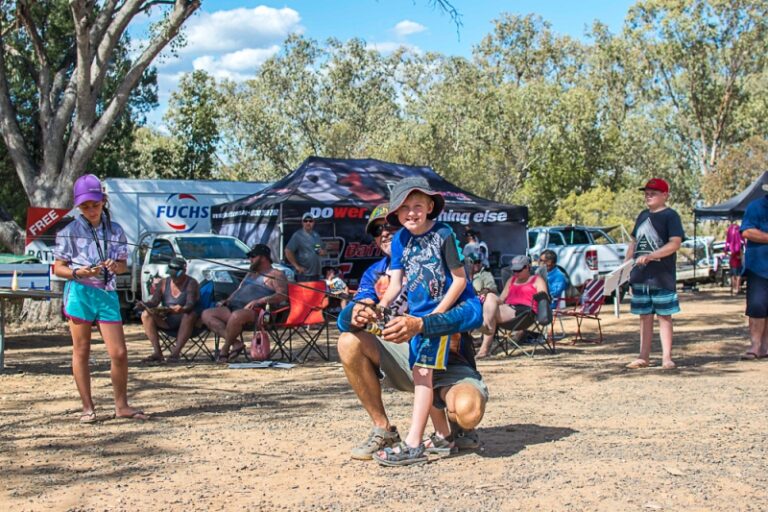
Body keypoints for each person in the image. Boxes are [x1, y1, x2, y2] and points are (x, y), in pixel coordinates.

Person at [337, 202, 488, 463]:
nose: (385, 233)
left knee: (468, 409)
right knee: (348, 340)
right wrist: (353, 315)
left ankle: (450, 427)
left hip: (453, 362)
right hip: (406, 357)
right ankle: (383, 430)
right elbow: (347, 315)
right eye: (377, 230)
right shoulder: (375, 274)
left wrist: (423, 324)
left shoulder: (439, 261)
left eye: (390, 226)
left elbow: (473, 313)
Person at [372, 178, 481, 467]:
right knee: (424, 379)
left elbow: (459, 281)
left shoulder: (444, 234)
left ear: (430, 206)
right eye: (404, 207)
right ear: (395, 212)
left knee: (422, 373)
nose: (411, 212)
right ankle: (443, 436)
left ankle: (413, 443)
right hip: (416, 319)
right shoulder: (399, 240)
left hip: (440, 317)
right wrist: (380, 305)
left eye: (417, 205)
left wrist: (436, 317)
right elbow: (396, 285)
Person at [53, 174, 148, 423]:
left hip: (106, 294)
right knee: (81, 350)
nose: (91, 210)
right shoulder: (69, 232)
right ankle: (88, 408)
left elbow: (123, 265)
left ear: (103, 201)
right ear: (78, 207)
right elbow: (58, 268)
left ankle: (121, 406)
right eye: (85, 206)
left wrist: (114, 266)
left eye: (95, 204)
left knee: (118, 353)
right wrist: (78, 272)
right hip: (80, 293)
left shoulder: (115, 230)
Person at [624, 178, 684, 370]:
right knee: (644, 315)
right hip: (640, 276)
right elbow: (634, 242)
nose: (648, 196)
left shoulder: (670, 216)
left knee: (664, 315)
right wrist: (627, 265)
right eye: (647, 193)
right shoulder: (642, 216)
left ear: (664, 195)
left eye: (654, 193)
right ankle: (643, 356)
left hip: (662, 275)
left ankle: (667, 357)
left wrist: (652, 256)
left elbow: (674, 243)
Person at [201, 244, 287, 361]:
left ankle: (225, 349)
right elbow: (238, 290)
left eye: (252, 256)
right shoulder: (250, 273)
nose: (250, 259)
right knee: (207, 314)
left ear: (263, 257)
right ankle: (236, 344)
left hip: (259, 313)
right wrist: (227, 300)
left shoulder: (276, 274)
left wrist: (259, 301)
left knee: (236, 316)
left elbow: (282, 295)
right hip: (234, 307)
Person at [476, 255, 548, 358]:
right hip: (508, 309)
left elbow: (543, 298)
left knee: (491, 313)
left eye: (518, 270)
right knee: (490, 296)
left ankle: (484, 341)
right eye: (514, 270)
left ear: (527, 267)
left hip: (525, 313)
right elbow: (501, 299)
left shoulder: (536, 280)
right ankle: (485, 335)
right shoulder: (511, 280)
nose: (516, 273)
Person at [138, 257, 200, 363]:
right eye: (171, 275)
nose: (173, 278)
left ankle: (175, 353)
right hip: (168, 320)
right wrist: (144, 304)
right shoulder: (164, 282)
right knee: (146, 315)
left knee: (189, 315)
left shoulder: (191, 283)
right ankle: (157, 352)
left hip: (187, 322)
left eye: (176, 275)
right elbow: (154, 302)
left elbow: (190, 304)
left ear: (184, 272)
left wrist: (182, 309)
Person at [739, 184, 768, 360]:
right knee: (757, 306)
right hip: (759, 267)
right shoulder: (755, 207)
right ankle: (755, 345)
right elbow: (747, 231)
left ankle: (765, 347)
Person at [284, 213, 326, 282]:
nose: (308, 223)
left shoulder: (316, 235)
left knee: (315, 292)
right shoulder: (297, 235)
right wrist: (297, 266)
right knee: (305, 292)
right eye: (305, 221)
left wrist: (322, 252)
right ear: (302, 222)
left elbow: (318, 248)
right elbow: (288, 251)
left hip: (316, 273)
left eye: (310, 221)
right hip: (304, 275)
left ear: (314, 222)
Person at [725, 219, 744, 295]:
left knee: (733, 275)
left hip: (733, 259)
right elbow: (741, 249)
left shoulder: (730, 241)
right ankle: (737, 289)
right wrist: (741, 257)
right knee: (738, 275)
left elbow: (726, 250)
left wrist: (730, 256)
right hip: (737, 258)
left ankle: (733, 289)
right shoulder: (739, 240)